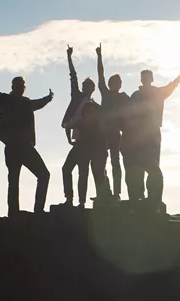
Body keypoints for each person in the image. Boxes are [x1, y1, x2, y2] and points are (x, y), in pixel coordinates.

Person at [0, 63, 53, 217]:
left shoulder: (27, 103)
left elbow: (39, 103)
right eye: (19, 85)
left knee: (43, 175)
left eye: (23, 85)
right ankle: (14, 213)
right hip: (13, 146)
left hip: (26, 146)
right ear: (13, 86)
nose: (22, 87)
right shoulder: (4, 99)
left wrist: (49, 98)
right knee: (14, 180)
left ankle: (38, 210)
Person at [126, 63, 180, 209]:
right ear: (141, 80)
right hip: (138, 134)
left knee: (154, 166)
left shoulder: (158, 93)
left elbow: (172, 85)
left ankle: (153, 198)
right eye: (143, 78)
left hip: (153, 133)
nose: (145, 80)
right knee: (140, 166)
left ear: (152, 79)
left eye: (148, 77)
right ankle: (139, 197)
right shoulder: (135, 96)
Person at [60, 46, 111, 208]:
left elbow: (102, 127)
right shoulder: (78, 97)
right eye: (84, 86)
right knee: (67, 169)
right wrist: (69, 58)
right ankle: (70, 198)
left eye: (88, 86)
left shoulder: (95, 107)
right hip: (78, 141)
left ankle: (85, 201)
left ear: (92, 89)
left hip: (89, 143)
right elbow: (72, 77)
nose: (85, 88)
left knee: (88, 171)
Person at [96, 44, 131, 200]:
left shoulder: (123, 97)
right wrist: (99, 56)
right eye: (113, 82)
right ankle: (104, 192)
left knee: (116, 163)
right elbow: (100, 75)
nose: (115, 85)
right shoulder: (105, 92)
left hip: (116, 133)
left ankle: (117, 193)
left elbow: (137, 106)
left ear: (120, 85)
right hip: (103, 132)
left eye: (117, 83)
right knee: (100, 163)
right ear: (110, 84)